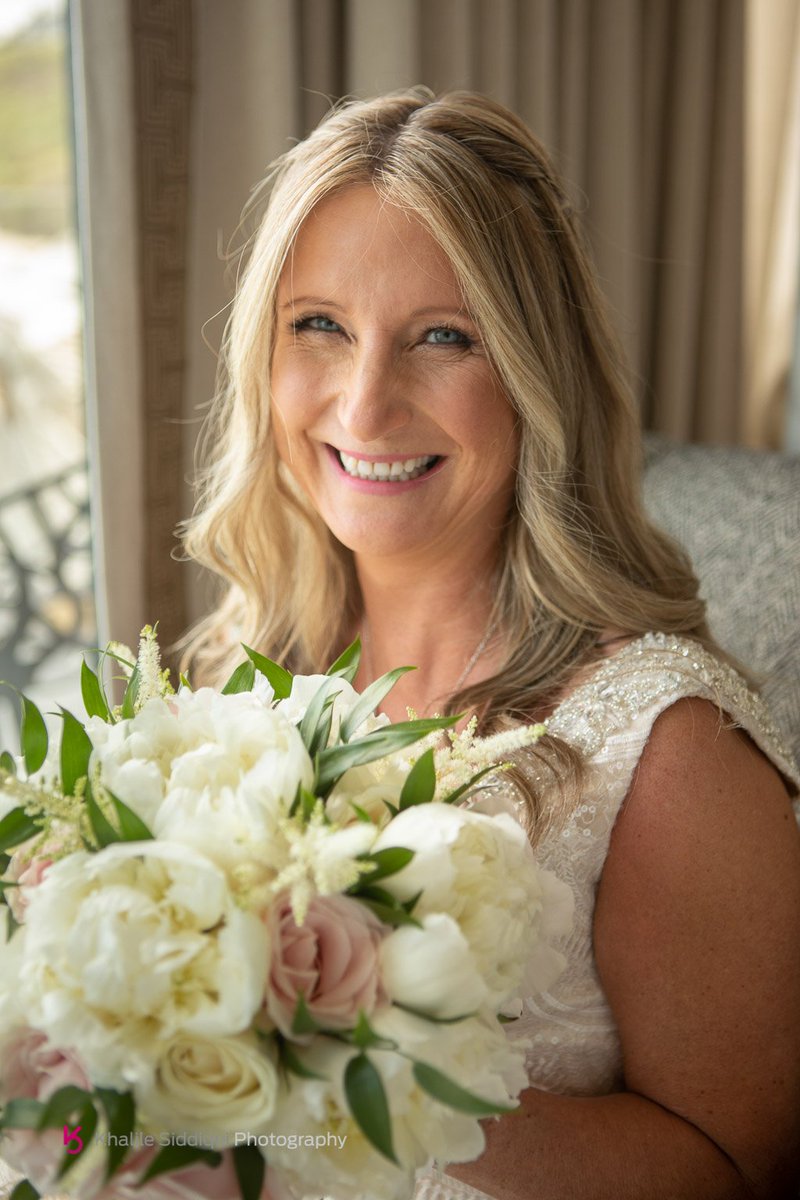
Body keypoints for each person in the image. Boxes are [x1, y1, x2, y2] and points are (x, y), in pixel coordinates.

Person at [180, 88, 800, 1200]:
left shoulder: (667, 748)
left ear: (533, 371)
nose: (364, 407)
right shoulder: (245, 670)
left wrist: (370, 1085)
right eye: (319, 325)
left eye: (443, 338)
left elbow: (738, 1170)